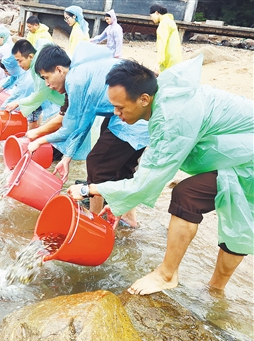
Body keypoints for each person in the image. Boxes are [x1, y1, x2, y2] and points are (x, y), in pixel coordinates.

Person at [68, 58, 253, 295]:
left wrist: (88, 189)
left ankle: (166, 275)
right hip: (242, 153)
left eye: (121, 108)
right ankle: (215, 292)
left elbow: (146, 181)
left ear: (144, 99)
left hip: (247, 160)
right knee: (240, 217)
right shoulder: (166, 95)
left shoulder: (171, 117)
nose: (116, 113)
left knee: (187, 196)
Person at [32, 43, 148, 224]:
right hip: (138, 119)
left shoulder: (75, 80)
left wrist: (38, 141)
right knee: (122, 167)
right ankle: (129, 220)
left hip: (132, 119)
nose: (47, 84)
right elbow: (84, 122)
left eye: (47, 78)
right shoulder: (83, 72)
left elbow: (71, 127)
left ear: (59, 69)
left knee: (96, 164)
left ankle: (94, 223)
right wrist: (67, 157)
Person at [4, 39, 64, 134]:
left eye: (20, 61)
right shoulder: (36, 63)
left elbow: (40, 94)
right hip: (58, 100)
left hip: (65, 101)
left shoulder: (40, 67)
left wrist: (18, 103)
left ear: (30, 56)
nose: (19, 65)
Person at [149, 4, 182, 72]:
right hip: (175, 57)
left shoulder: (164, 24)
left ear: (156, 12)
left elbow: (162, 43)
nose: (151, 18)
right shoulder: (170, 21)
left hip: (169, 58)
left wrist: (159, 62)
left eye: (151, 16)